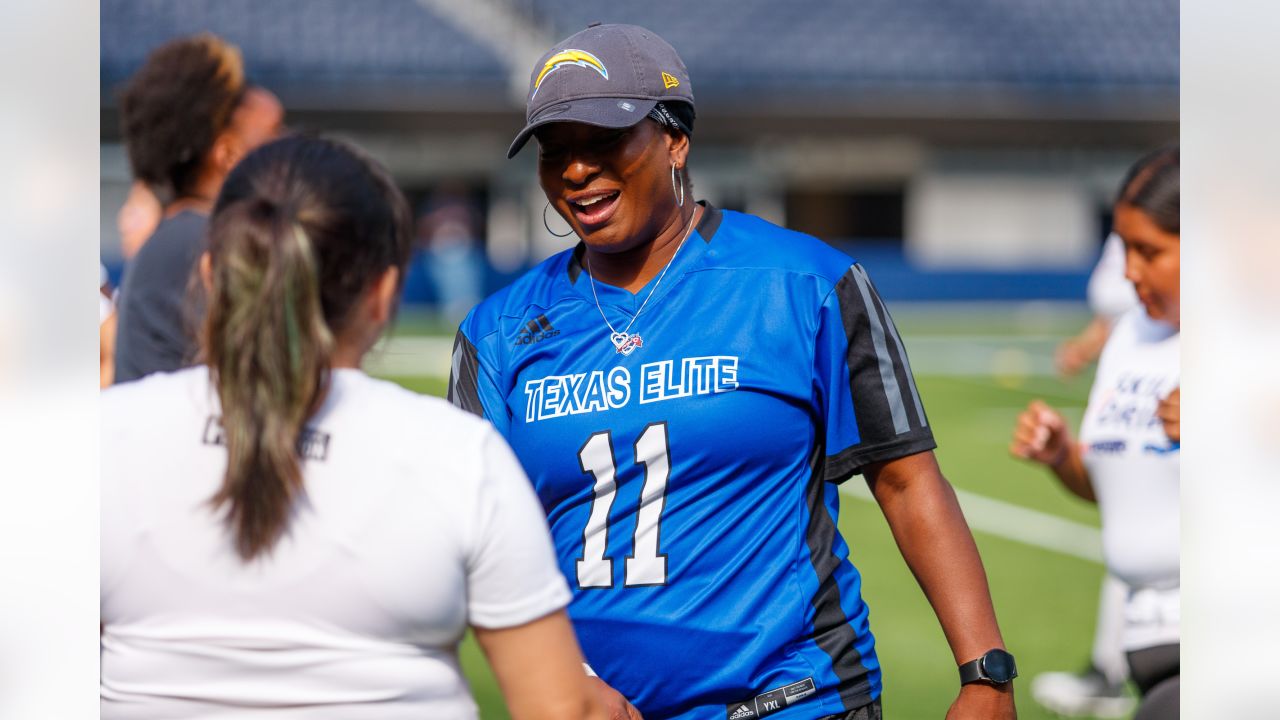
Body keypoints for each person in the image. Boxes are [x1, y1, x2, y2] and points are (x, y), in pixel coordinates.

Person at [450, 23, 1016, 720]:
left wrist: (985, 674)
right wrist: (565, 683)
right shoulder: (497, 331)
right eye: (555, 151)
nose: (574, 170)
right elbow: (474, 537)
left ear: (675, 140)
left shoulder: (804, 282)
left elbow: (903, 477)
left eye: (604, 142)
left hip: (793, 699)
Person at [101, 135, 605, 720]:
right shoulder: (458, 458)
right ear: (383, 293)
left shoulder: (98, 439)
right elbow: (561, 709)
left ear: (212, 275)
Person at [1011, 146, 1179, 720]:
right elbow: (1116, 488)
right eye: (1124, 247)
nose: (1129, 271)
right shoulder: (1132, 336)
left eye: (1150, 251)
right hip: (1146, 650)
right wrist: (1063, 457)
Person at [112, 33, 284, 384]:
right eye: (275, 135)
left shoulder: (182, 234)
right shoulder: (205, 241)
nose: (290, 149)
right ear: (228, 156)